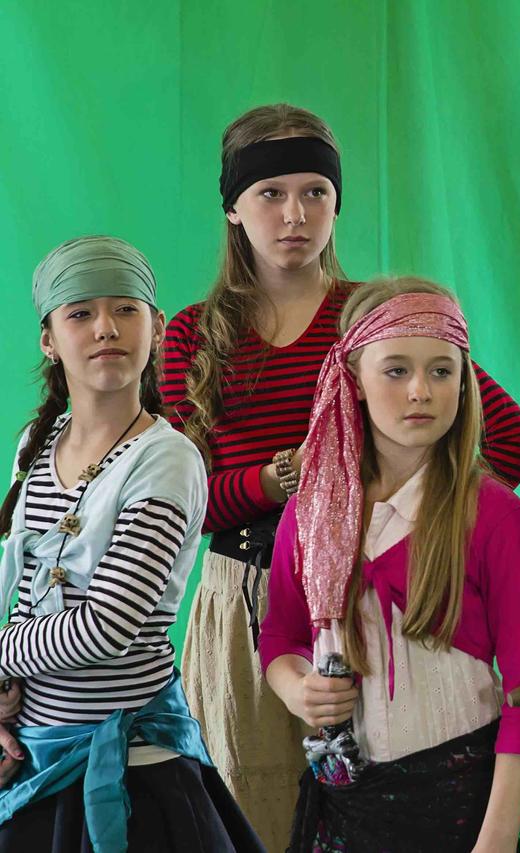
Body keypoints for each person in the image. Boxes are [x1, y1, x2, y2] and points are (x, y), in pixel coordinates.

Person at [162, 103, 520, 848]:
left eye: (316, 192)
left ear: (337, 203)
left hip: (370, 599)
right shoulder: (191, 333)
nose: (295, 214)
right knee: (248, 814)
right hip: (244, 595)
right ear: (233, 208)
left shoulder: (375, 318)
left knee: (378, 801)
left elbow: (511, 441)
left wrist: (420, 524)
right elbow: (187, 504)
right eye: (271, 194)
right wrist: (285, 482)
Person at [260, 278, 520, 852]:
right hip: (343, 810)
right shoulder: (310, 511)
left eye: (442, 371)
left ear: (464, 383)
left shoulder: (497, 517)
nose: (421, 391)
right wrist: (296, 687)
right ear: (353, 380)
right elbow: (281, 635)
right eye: (396, 370)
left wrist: (496, 839)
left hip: (459, 809)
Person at [0, 236, 262, 851]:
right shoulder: (37, 444)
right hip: (38, 758)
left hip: (135, 771)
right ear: (48, 339)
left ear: (158, 327)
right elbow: (28, 599)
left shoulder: (165, 458)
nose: (106, 328)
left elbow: (105, 627)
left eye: (125, 309)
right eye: (81, 313)